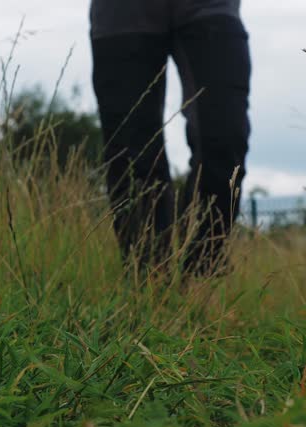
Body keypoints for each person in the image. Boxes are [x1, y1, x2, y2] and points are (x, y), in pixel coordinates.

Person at [90, 0, 251, 276]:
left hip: (210, 8)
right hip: (120, 12)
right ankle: (150, 287)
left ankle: (201, 276)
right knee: (131, 158)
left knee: (225, 137)